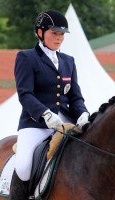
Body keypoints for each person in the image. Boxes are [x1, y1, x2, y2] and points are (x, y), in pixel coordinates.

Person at [10, 9, 89, 199]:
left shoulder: (68, 61)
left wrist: (83, 114)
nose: (59, 38)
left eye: (62, 34)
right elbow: (25, 94)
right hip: (35, 123)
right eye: (54, 33)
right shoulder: (27, 58)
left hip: (65, 121)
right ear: (40, 32)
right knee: (23, 167)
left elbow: (75, 97)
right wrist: (45, 114)